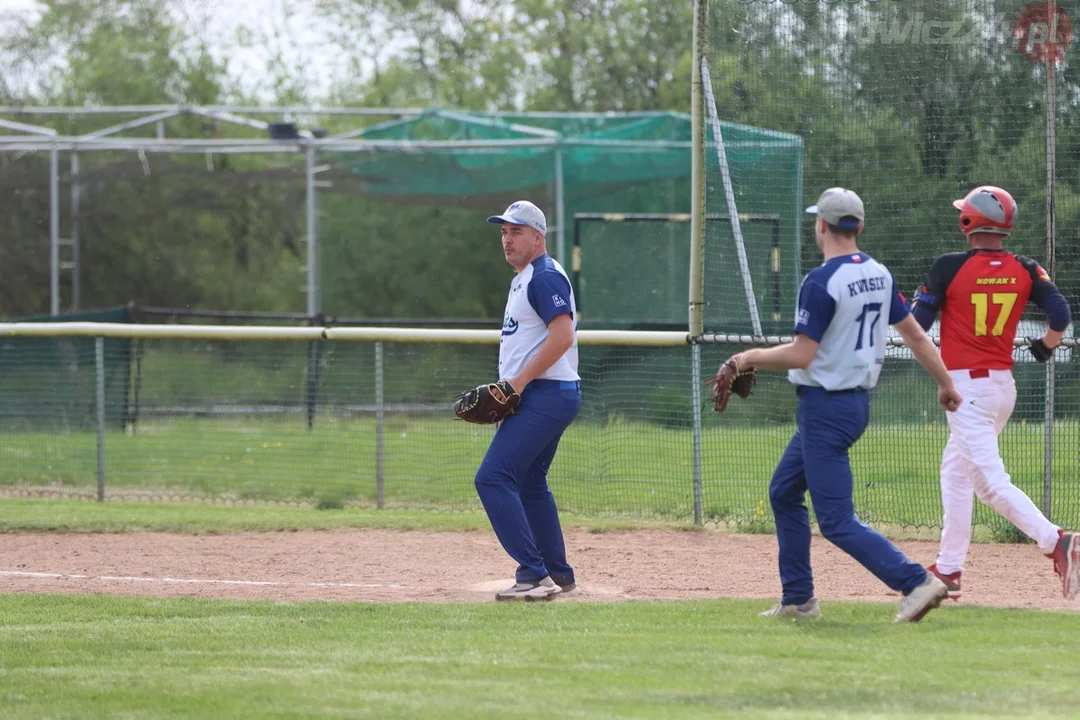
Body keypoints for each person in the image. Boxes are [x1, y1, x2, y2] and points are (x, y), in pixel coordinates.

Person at [725, 188, 963, 623]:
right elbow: (913, 334)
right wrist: (945, 381)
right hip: (851, 405)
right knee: (783, 492)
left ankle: (914, 582)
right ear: (860, 226)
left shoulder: (821, 281)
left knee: (835, 520)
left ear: (821, 225)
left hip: (825, 409)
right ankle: (798, 599)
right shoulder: (878, 273)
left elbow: (801, 354)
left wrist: (747, 357)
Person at [911, 185, 1078, 601]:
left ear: (967, 221)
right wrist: (1044, 347)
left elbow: (916, 323)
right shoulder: (1025, 267)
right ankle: (949, 570)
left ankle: (1056, 540)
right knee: (955, 472)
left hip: (966, 387)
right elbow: (1060, 314)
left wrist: (897, 306)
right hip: (1002, 387)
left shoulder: (948, 267)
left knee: (988, 483)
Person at [473, 200, 582, 601]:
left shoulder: (545, 276)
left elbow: (562, 336)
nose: (507, 239)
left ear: (539, 237)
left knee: (492, 477)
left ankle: (533, 574)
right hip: (539, 395)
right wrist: (513, 394)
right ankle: (559, 575)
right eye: (503, 231)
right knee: (529, 481)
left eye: (516, 231)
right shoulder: (523, 278)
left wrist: (516, 386)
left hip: (546, 393)